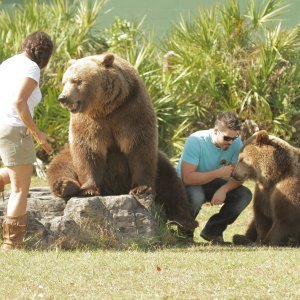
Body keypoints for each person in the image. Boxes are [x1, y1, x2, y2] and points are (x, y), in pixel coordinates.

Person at [0, 31, 54, 250]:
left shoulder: (8, 64)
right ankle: (11, 245)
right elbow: (20, 102)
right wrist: (38, 135)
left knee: (13, 173)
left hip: (2, 125)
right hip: (14, 128)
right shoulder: (31, 68)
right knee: (20, 189)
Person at [177, 111, 252, 244]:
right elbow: (187, 178)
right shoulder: (196, 140)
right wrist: (218, 173)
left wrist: (224, 189)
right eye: (227, 138)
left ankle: (213, 231)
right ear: (216, 131)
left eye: (234, 138)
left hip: (212, 183)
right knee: (196, 196)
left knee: (244, 195)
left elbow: (240, 175)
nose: (230, 142)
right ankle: (184, 234)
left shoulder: (235, 143)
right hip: (186, 185)